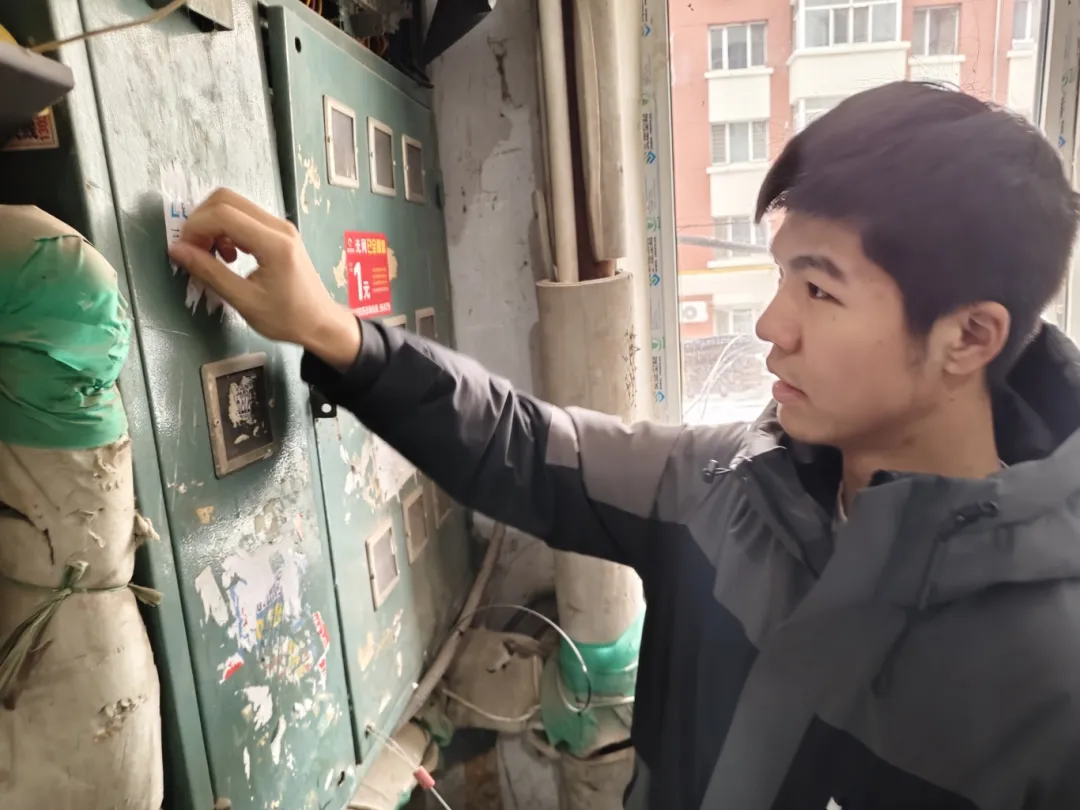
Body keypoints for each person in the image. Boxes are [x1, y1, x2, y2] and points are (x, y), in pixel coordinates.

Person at [168, 81, 1080, 810]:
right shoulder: (729, 485)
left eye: (820, 290)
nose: (771, 325)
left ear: (969, 337)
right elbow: (529, 446)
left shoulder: (1052, 679)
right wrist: (333, 333)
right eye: (781, 278)